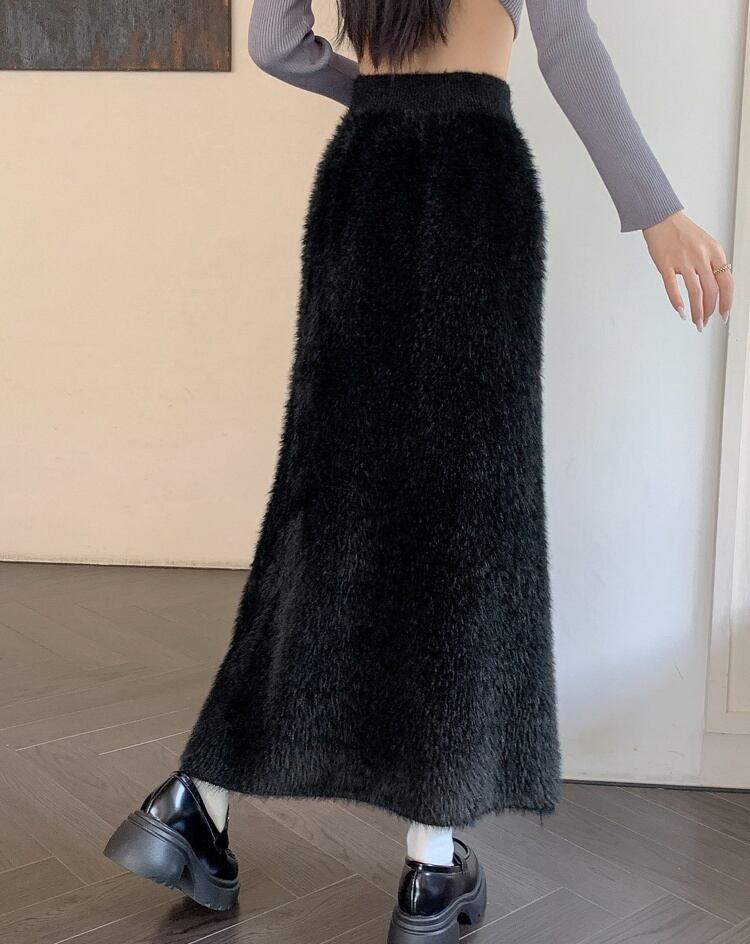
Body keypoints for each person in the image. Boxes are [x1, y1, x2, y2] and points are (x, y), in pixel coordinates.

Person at [104, 1, 734, 941]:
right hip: (474, 178)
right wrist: (658, 210)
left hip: (365, 175)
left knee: (326, 504)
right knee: (465, 513)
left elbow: (274, 44)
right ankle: (432, 867)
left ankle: (197, 800)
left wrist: (375, 94)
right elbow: (567, 48)